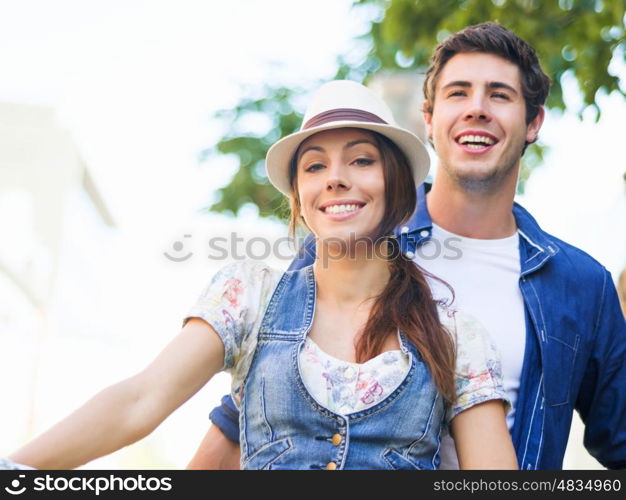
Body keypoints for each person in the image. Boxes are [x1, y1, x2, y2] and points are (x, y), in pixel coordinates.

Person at [2, 80, 516, 470]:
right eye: (314, 167)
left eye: (361, 160)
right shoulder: (248, 295)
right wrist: (15, 471)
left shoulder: (454, 334)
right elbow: (139, 400)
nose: (335, 178)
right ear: (299, 198)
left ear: (399, 185)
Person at [188, 22, 626, 471]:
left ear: (533, 121)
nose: (477, 109)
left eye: (499, 94)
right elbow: (255, 411)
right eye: (458, 93)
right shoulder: (353, 233)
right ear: (430, 120)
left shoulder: (581, 285)